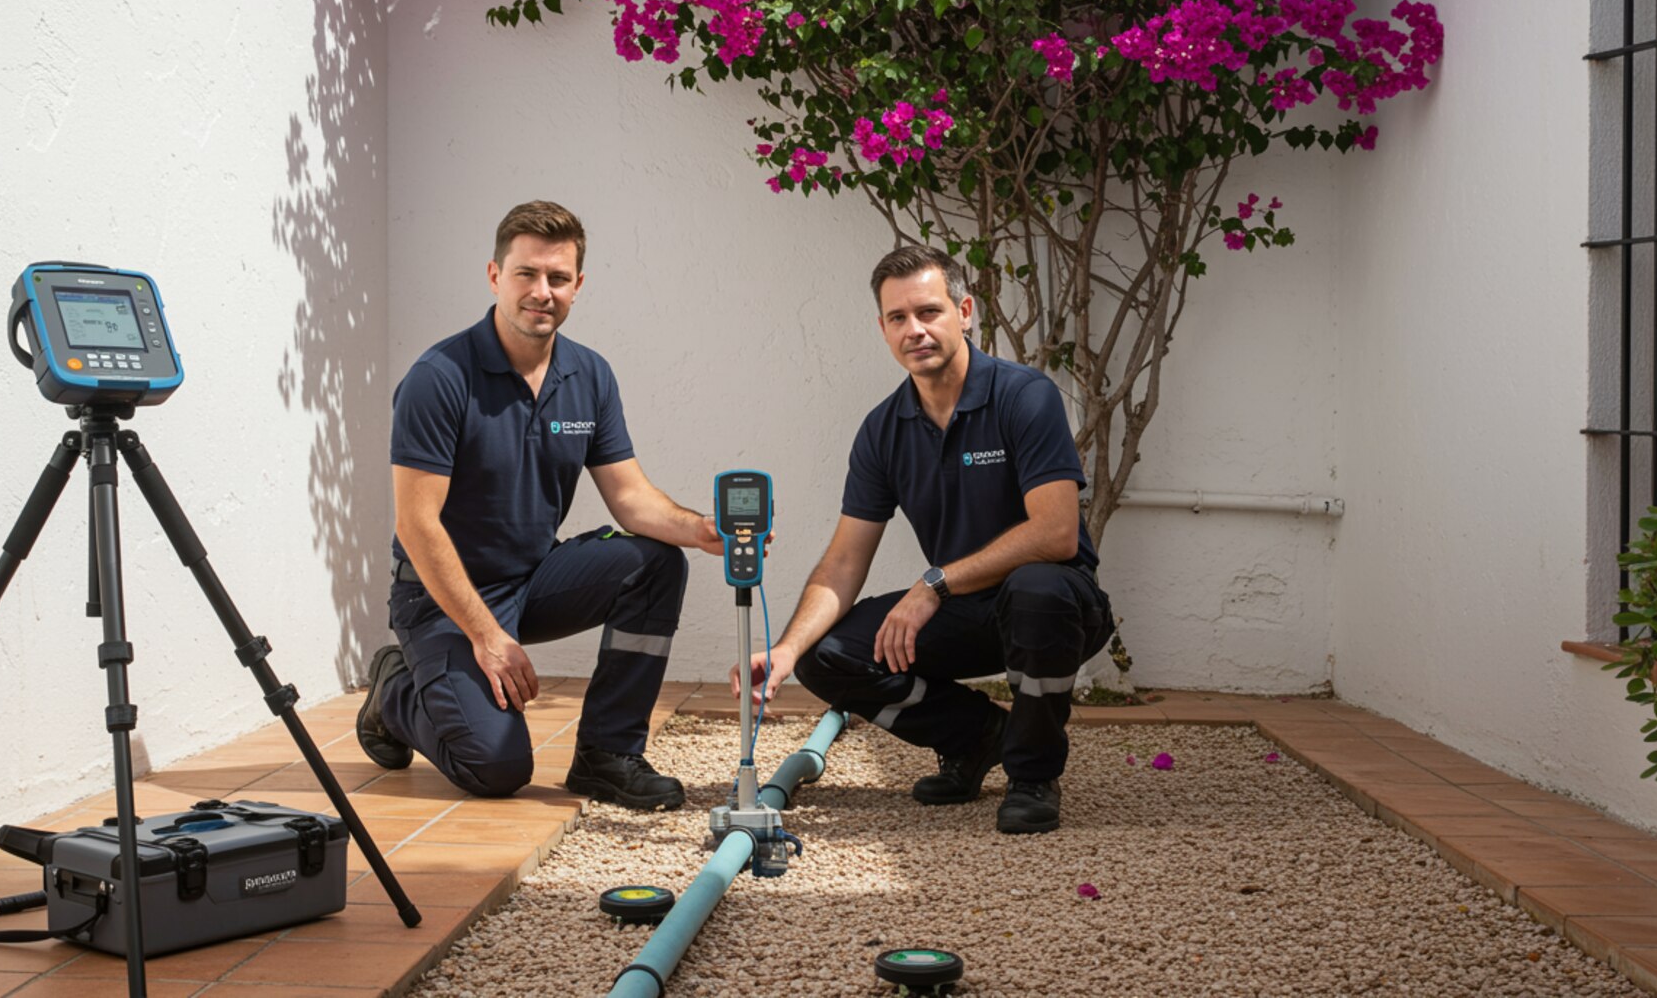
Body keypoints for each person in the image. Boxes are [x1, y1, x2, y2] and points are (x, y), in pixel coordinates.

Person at [730, 244, 1113, 834]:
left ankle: (1033, 773)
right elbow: (843, 562)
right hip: (966, 610)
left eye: (929, 312)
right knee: (826, 655)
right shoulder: (883, 429)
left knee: (1037, 588)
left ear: (964, 312)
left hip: (1058, 609)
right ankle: (981, 736)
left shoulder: (1023, 395)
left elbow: (1057, 533)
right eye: (898, 318)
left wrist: (936, 582)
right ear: (882, 330)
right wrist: (785, 649)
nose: (916, 330)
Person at [357, 201, 726, 809]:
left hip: (530, 581)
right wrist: (485, 635)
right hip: (441, 599)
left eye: (557, 278)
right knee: (497, 767)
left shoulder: (589, 375)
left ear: (578, 286)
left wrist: (700, 528)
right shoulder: (440, 377)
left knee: (656, 562)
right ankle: (395, 690)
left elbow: (630, 497)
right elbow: (416, 524)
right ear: (494, 275)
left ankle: (608, 754)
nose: (541, 291)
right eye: (526, 273)